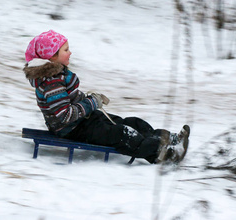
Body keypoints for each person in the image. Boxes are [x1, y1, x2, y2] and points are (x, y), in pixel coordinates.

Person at [23, 30, 190, 164]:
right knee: (122, 133)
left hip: (84, 120)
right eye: (65, 50)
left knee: (130, 123)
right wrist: (91, 102)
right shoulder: (52, 83)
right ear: (52, 57)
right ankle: (164, 154)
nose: (70, 52)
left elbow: (69, 100)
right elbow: (65, 115)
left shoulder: (57, 75)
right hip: (72, 129)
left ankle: (168, 138)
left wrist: (87, 99)